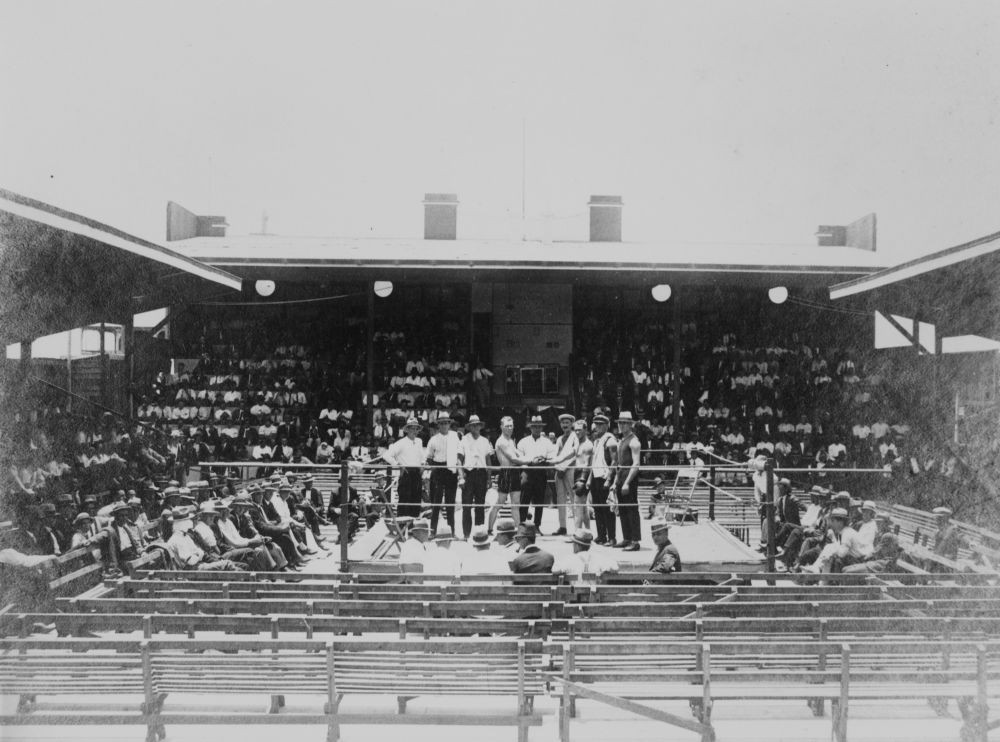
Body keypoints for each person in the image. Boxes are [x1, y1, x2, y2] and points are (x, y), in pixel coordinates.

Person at [166, 507, 245, 571]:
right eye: (188, 520)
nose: (190, 522)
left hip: (199, 565)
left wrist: (197, 554)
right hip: (193, 570)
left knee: (233, 565)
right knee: (227, 564)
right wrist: (198, 555)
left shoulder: (185, 536)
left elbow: (199, 552)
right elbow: (190, 561)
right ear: (181, 523)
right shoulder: (176, 540)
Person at [230, 492, 290, 571]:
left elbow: (251, 531)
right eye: (239, 507)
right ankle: (273, 569)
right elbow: (237, 536)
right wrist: (254, 540)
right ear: (234, 507)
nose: (242, 509)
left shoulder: (243, 517)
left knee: (272, 545)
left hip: (248, 540)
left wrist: (259, 537)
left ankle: (282, 567)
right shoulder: (232, 518)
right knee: (261, 548)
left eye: (243, 507)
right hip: (240, 543)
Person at [426, 413, 464, 535]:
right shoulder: (433, 439)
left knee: (450, 503)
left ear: (449, 424)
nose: (444, 425)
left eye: (446, 423)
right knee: (436, 504)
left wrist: (459, 474)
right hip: (438, 470)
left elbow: (459, 455)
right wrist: (435, 469)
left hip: (451, 471)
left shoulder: (455, 437)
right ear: (438, 425)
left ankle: (452, 532)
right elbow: (429, 458)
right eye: (441, 423)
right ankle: (432, 532)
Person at [492, 416, 531, 530]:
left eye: (511, 426)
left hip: (514, 473)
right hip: (505, 472)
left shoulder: (511, 440)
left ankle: (519, 529)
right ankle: (489, 529)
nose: (509, 428)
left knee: (516, 503)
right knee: (500, 502)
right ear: (501, 427)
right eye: (507, 426)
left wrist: (530, 458)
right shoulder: (501, 441)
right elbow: (513, 458)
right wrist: (530, 461)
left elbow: (519, 455)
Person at [802, 507, 870, 573]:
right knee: (829, 550)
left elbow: (841, 554)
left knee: (831, 550)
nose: (831, 523)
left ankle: (817, 569)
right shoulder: (843, 531)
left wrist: (833, 540)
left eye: (833, 520)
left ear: (840, 522)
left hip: (859, 561)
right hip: (852, 558)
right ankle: (819, 575)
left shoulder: (847, 533)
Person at [611, 412, 642, 551]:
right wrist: (616, 481)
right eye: (620, 423)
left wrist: (627, 482)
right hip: (621, 477)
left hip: (629, 478)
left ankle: (635, 540)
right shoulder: (621, 440)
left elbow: (636, 464)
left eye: (625, 423)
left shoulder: (634, 441)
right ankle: (627, 538)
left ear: (631, 424)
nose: (621, 425)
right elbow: (618, 463)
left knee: (631, 509)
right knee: (622, 509)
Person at [518, 416, 555, 530]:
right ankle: (522, 525)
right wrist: (529, 462)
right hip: (527, 472)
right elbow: (519, 458)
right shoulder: (523, 442)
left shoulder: (547, 442)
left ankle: (537, 526)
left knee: (539, 500)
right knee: (524, 499)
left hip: (540, 472)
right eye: (534, 427)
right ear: (530, 428)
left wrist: (544, 460)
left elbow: (552, 456)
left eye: (539, 427)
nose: (537, 429)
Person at [459, 415, 493, 538]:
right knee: (466, 506)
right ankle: (466, 535)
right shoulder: (464, 439)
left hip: (481, 474)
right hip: (469, 474)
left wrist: (489, 478)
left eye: (477, 425)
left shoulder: (485, 441)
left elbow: (488, 459)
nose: (475, 427)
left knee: (480, 505)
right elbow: (459, 460)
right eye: (473, 425)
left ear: (480, 426)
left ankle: (480, 534)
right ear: (469, 427)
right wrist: (461, 477)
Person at [586, 414, 618, 546]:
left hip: (605, 477)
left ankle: (612, 538)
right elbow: (593, 462)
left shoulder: (610, 440)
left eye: (601, 424)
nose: (598, 427)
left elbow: (615, 461)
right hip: (595, 477)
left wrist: (609, 479)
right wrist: (589, 479)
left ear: (606, 425)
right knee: (598, 509)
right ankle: (601, 535)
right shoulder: (596, 441)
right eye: (596, 424)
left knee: (607, 510)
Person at [384, 417, 425, 519]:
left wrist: (423, 465)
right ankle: (402, 529)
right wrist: (398, 464)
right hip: (406, 473)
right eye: (412, 428)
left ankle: (413, 528)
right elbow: (386, 455)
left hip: (417, 474)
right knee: (404, 501)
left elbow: (422, 456)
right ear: (407, 429)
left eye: (416, 428)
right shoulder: (401, 442)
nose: (414, 431)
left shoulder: (419, 441)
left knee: (416, 501)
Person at [548, 413, 580, 537]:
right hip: (559, 470)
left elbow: (575, 454)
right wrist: (556, 466)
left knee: (573, 498)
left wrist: (564, 467)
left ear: (572, 424)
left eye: (567, 423)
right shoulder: (560, 439)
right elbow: (556, 454)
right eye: (563, 423)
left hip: (570, 469)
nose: (565, 425)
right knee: (560, 499)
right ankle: (562, 526)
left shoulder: (575, 437)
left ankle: (577, 528)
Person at [552, 528, 619, 581]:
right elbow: (615, 568)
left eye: (574, 544)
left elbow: (555, 570)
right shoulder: (598, 557)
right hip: (594, 596)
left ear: (577, 545)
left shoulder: (570, 559)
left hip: (575, 597)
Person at [571, 421, 594, 529]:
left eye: (579, 429)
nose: (577, 432)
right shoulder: (578, 442)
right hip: (577, 473)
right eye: (575, 429)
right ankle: (588, 531)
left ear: (585, 430)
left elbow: (588, 464)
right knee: (583, 507)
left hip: (583, 475)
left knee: (578, 507)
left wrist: (583, 480)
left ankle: (577, 533)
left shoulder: (588, 445)